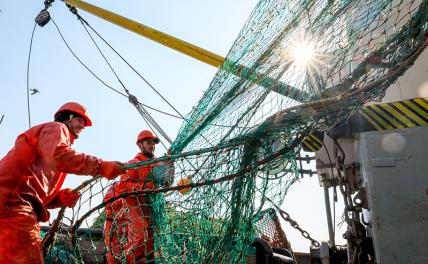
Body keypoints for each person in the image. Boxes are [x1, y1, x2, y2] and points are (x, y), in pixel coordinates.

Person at [0, 102, 125, 263]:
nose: (83, 126)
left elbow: (33, 187)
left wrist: (58, 198)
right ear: (68, 117)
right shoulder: (56, 129)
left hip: (10, 203)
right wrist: (101, 166)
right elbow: (59, 156)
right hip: (13, 206)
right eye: (80, 120)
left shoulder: (52, 140)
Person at [104, 130, 173, 264]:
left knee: (151, 240)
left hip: (150, 206)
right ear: (140, 145)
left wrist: (170, 164)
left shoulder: (158, 164)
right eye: (148, 143)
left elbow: (167, 183)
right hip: (133, 204)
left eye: (154, 143)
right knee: (139, 236)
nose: (152, 146)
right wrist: (146, 186)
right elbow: (124, 187)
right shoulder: (133, 163)